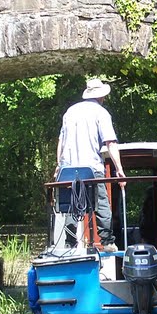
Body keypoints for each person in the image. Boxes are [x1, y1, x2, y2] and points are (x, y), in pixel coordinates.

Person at [56, 77, 126, 251]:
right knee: (101, 202)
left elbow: (61, 142)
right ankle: (108, 242)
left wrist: (59, 165)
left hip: (69, 168)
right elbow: (110, 143)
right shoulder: (101, 113)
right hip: (91, 167)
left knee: (72, 204)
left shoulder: (70, 112)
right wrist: (119, 169)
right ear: (101, 96)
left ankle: (70, 242)